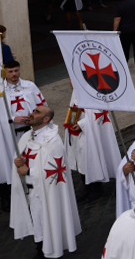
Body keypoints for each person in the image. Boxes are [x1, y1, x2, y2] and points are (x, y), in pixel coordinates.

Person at [10, 105, 81, 258]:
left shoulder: (53, 141)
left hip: (46, 192)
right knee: (37, 223)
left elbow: (53, 171)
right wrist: (18, 162)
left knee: (47, 221)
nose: (32, 114)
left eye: (37, 112)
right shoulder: (26, 136)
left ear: (46, 119)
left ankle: (50, 251)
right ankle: (41, 249)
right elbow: (28, 159)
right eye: (33, 111)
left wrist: (28, 171)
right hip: (30, 191)